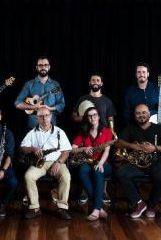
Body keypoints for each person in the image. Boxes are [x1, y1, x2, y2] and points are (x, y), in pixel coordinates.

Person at [115, 104, 161, 219]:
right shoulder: (130, 128)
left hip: (155, 163)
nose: (141, 115)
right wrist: (132, 146)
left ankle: (150, 206)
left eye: (144, 112)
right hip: (136, 164)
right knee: (120, 173)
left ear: (149, 113)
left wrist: (155, 148)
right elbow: (118, 142)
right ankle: (139, 203)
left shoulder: (158, 128)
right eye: (138, 113)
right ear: (134, 115)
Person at [71, 73, 116, 204]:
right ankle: (86, 192)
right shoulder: (83, 99)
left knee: (102, 163)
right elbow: (74, 116)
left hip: (104, 134)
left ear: (101, 83)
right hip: (86, 133)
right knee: (85, 168)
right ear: (89, 83)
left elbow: (111, 119)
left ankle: (103, 191)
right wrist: (87, 118)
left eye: (98, 80)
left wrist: (112, 133)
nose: (95, 82)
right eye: (93, 80)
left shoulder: (107, 101)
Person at [20, 107, 72, 220]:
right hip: (40, 163)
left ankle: (62, 208)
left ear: (51, 116)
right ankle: (35, 208)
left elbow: (66, 151)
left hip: (57, 162)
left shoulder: (59, 131)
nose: (44, 118)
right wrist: (33, 149)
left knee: (66, 176)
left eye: (47, 115)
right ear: (37, 118)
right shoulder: (32, 132)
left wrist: (58, 162)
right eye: (41, 116)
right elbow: (23, 148)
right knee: (28, 176)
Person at [71, 107, 113, 221]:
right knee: (82, 171)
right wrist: (83, 148)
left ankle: (96, 209)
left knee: (97, 170)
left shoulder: (107, 131)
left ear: (99, 116)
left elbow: (107, 150)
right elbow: (72, 149)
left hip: (103, 162)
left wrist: (100, 162)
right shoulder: (83, 132)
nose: (92, 117)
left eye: (94, 115)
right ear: (87, 118)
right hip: (87, 161)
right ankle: (99, 208)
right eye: (89, 116)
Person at [14, 56, 65, 129]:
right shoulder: (29, 84)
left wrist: (49, 108)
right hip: (33, 123)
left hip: (51, 122)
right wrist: (33, 107)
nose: (43, 67)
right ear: (37, 67)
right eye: (40, 65)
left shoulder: (55, 84)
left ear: (49, 67)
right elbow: (17, 103)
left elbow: (62, 104)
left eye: (46, 65)